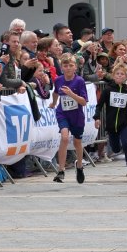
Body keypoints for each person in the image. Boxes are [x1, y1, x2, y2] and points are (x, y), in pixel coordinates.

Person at [51, 55, 89, 184]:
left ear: (75, 67)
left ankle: (79, 166)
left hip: (77, 116)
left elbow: (84, 102)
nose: (68, 68)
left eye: (71, 65)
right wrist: (53, 103)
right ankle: (61, 170)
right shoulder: (58, 80)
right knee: (65, 137)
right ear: (61, 67)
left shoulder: (79, 81)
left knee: (77, 143)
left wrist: (71, 94)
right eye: (65, 66)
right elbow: (55, 92)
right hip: (63, 113)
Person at [99, 61, 127, 181]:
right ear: (113, 75)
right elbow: (99, 105)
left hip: (124, 123)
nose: (120, 76)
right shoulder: (107, 90)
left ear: (126, 76)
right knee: (116, 148)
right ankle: (118, 146)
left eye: (122, 74)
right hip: (111, 125)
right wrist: (96, 118)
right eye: (117, 74)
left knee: (126, 144)